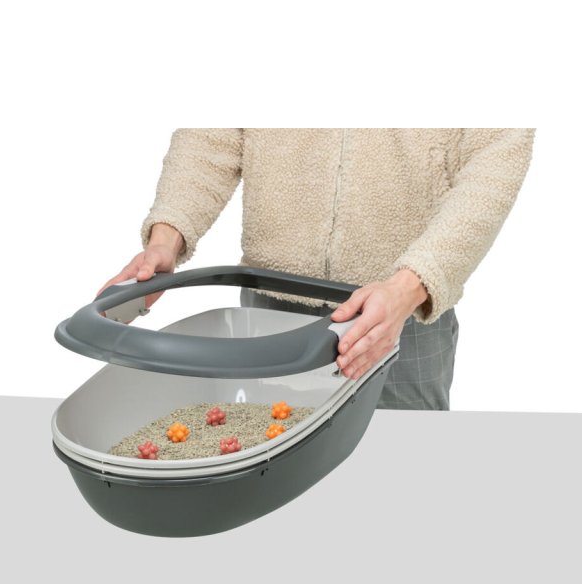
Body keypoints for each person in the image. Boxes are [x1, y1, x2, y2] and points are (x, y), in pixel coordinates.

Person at [101, 129, 535, 409]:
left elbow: (492, 167)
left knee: (404, 477)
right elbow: (212, 136)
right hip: (268, 310)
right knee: (262, 481)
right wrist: (166, 239)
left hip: (399, 318)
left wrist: (411, 285)